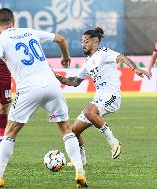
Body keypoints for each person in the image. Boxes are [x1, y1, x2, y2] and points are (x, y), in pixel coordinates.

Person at [0, 8, 88, 188]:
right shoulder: (29, 32)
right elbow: (60, 38)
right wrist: (65, 57)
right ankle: (80, 172)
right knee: (66, 129)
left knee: (10, 132)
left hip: (28, 88)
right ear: (13, 20)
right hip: (52, 85)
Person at [55, 27, 151, 166]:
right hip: (99, 97)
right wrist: (56, 76)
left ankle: (113, 141)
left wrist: (135, 68)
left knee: (89, 111)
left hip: (112, 95)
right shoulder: (88, 62)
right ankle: (81, 160)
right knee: (73, 131)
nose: (83, 44)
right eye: (82, 41)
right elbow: (74, 82)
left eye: (86, 41)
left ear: (95, 42)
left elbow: (122, 58)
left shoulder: (104, 53)